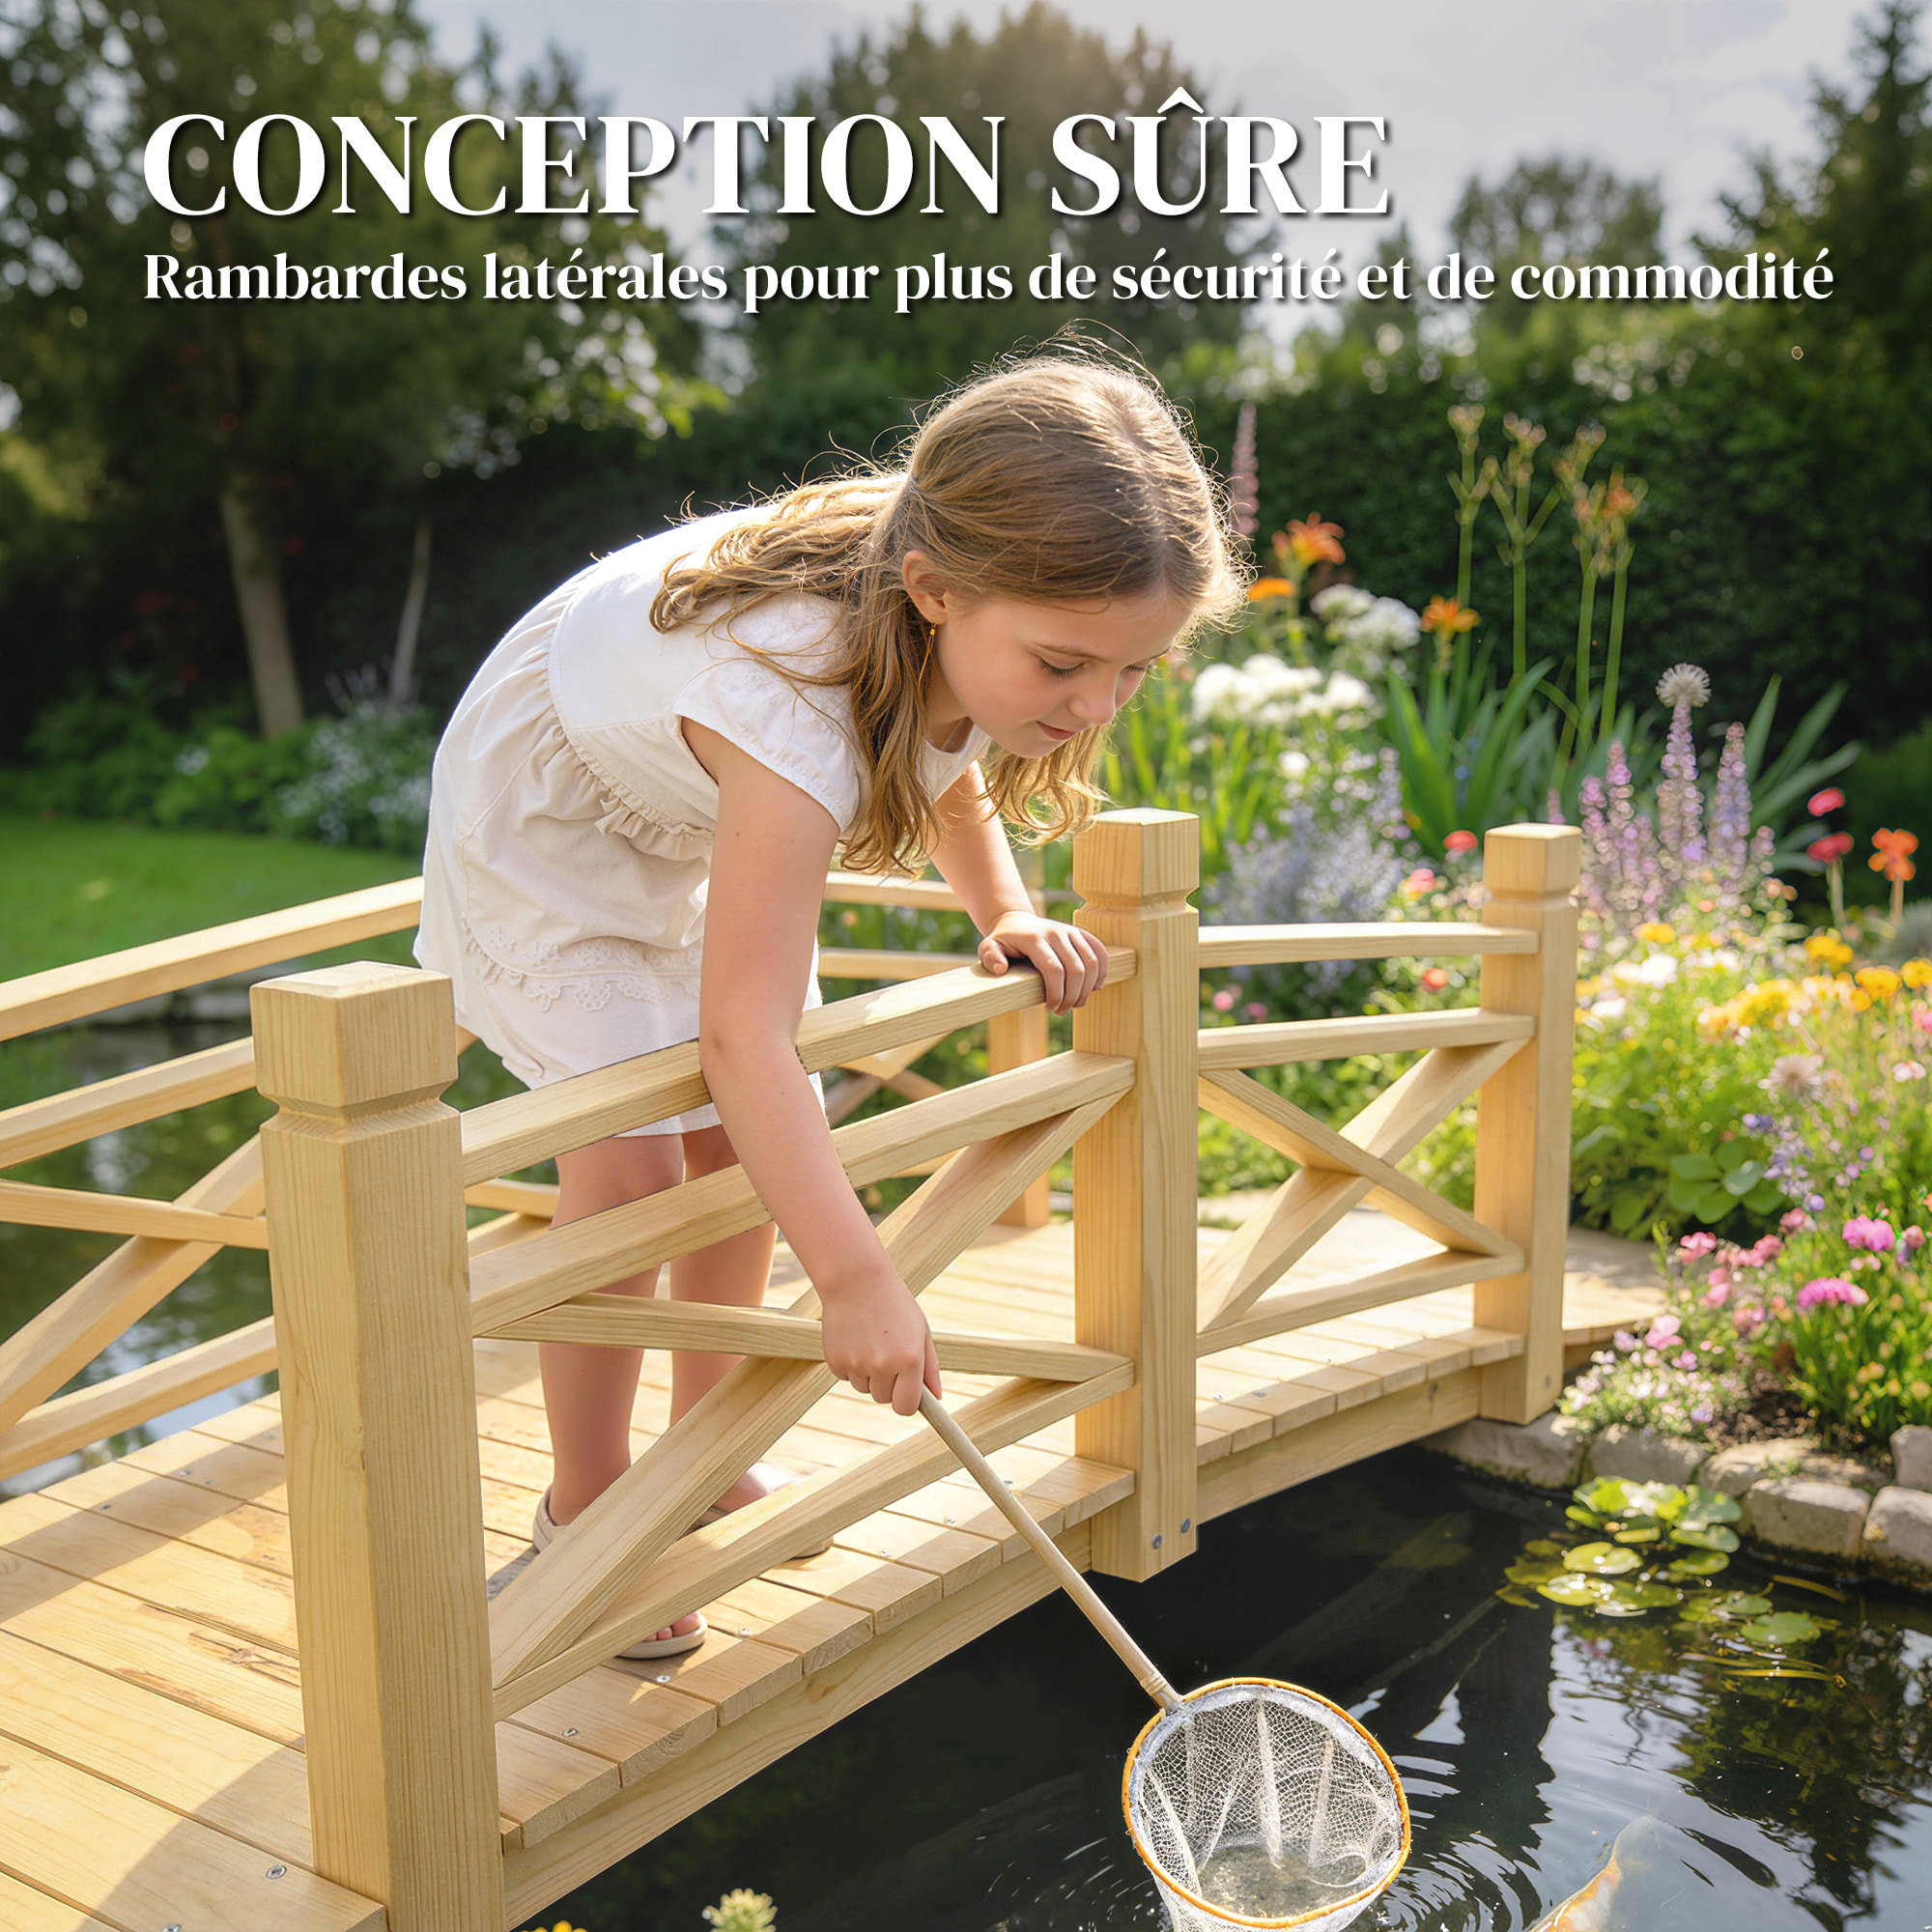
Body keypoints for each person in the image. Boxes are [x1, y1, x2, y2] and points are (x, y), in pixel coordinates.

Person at [416, 348, 1246, 1656]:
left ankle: (703, 1453)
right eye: (1067, 666)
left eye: (1132, 672)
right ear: (932, 593)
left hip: (695, 791)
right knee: (634, 1164)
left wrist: (1004, 908)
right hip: (554, 807)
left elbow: (944, 742)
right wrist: (855, 1279)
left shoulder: (956, 621)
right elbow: (742, 1034)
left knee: (740, 1150)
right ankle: (586, 1508)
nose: (1096, 705)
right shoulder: (792, 703)